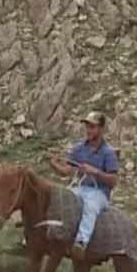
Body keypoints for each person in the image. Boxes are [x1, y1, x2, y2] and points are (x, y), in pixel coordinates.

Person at [45, 110, 120, 260]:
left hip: (99, 192)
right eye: (87, 127)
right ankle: (47, 234)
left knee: (90, 207)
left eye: (92, 127)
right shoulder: (79, 148)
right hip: (80, 187)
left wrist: (95, 172)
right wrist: (52, 162)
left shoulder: (108, 152)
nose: (88, 130)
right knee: (59, 199)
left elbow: (114, 180)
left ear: (101, 129)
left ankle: (81, 242)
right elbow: (66, 171)